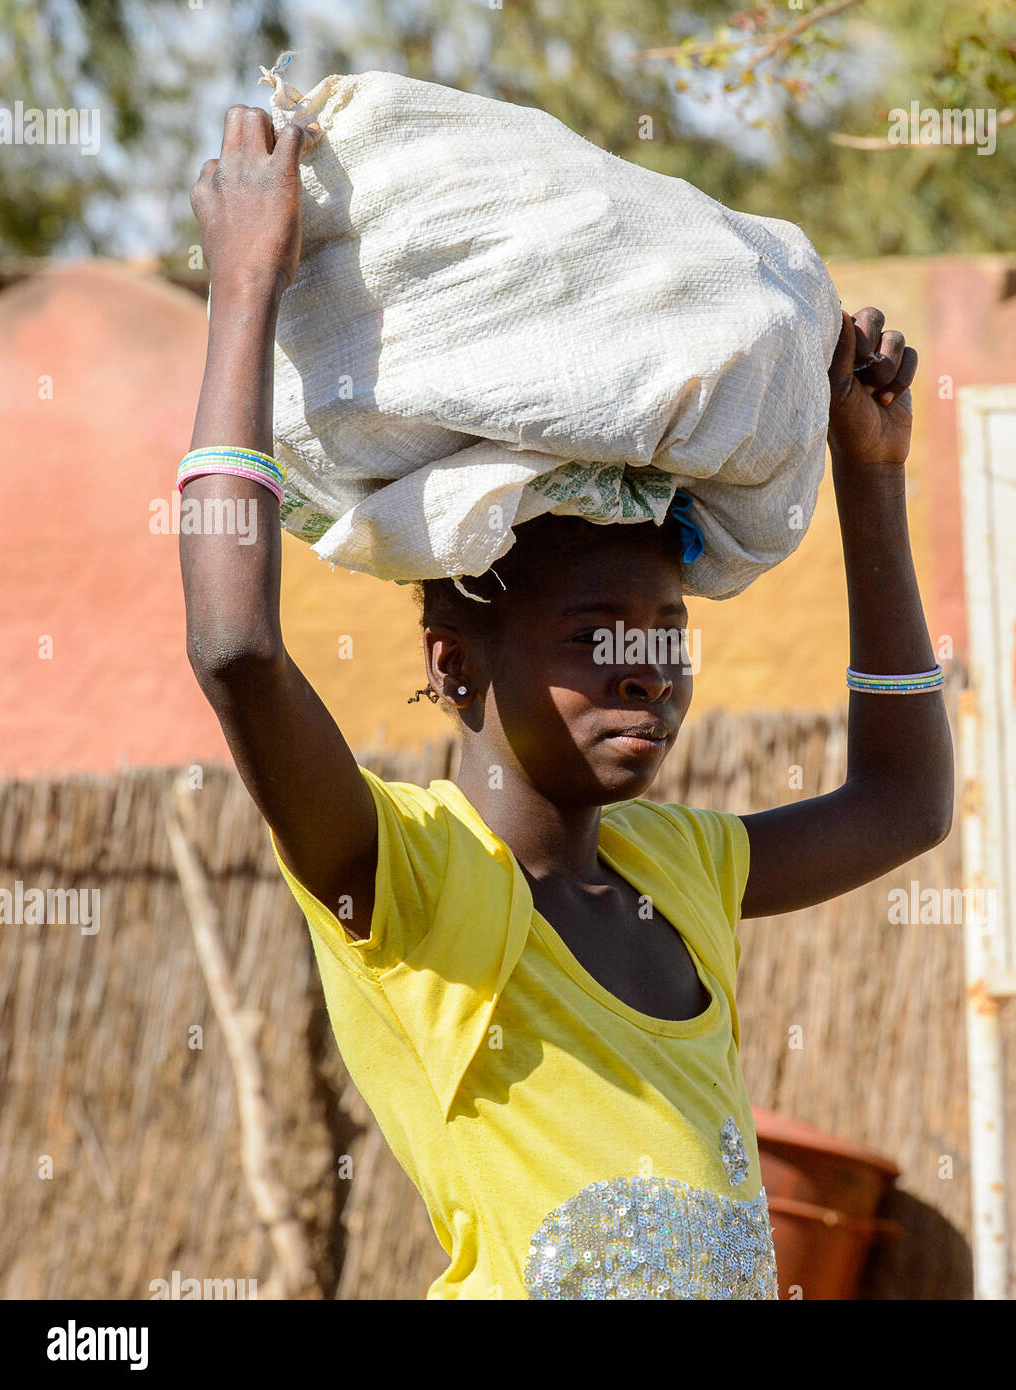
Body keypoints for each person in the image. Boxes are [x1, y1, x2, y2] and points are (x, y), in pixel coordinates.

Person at [181, 104, 955, 1299]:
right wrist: (245, 294)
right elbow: (238, 652)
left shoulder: (679, 874)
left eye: (664, 628)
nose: (645, 662)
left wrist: (871, 478)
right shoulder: (414, 882)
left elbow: (905, 803)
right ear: (454, 664)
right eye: (595, 636)